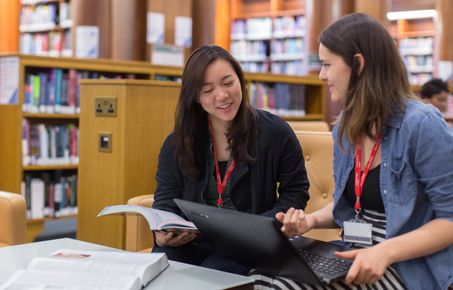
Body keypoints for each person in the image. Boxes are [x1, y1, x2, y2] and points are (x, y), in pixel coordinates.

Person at [251, 13, 453, 290]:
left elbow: (450, 219)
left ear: (358, 64)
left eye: (326, 65)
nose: (321, 75)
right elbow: (348, 203)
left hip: (407, 265)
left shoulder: (421, 124)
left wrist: (385, 251)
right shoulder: (346, 126)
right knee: (262, 274)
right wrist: (309, 220)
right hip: (352, 251)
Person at [151, 45, 310, 275]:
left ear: (241, 81)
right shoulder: (177, 143)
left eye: (228, 83)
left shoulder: (275, 133)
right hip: (193, 242)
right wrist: (162, 232)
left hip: (249, 246)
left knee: (216, 271)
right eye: (207, 90)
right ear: (195, 97)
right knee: (163, 264)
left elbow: (296, 192)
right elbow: (165, 199)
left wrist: (262, 227)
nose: (222, 95)